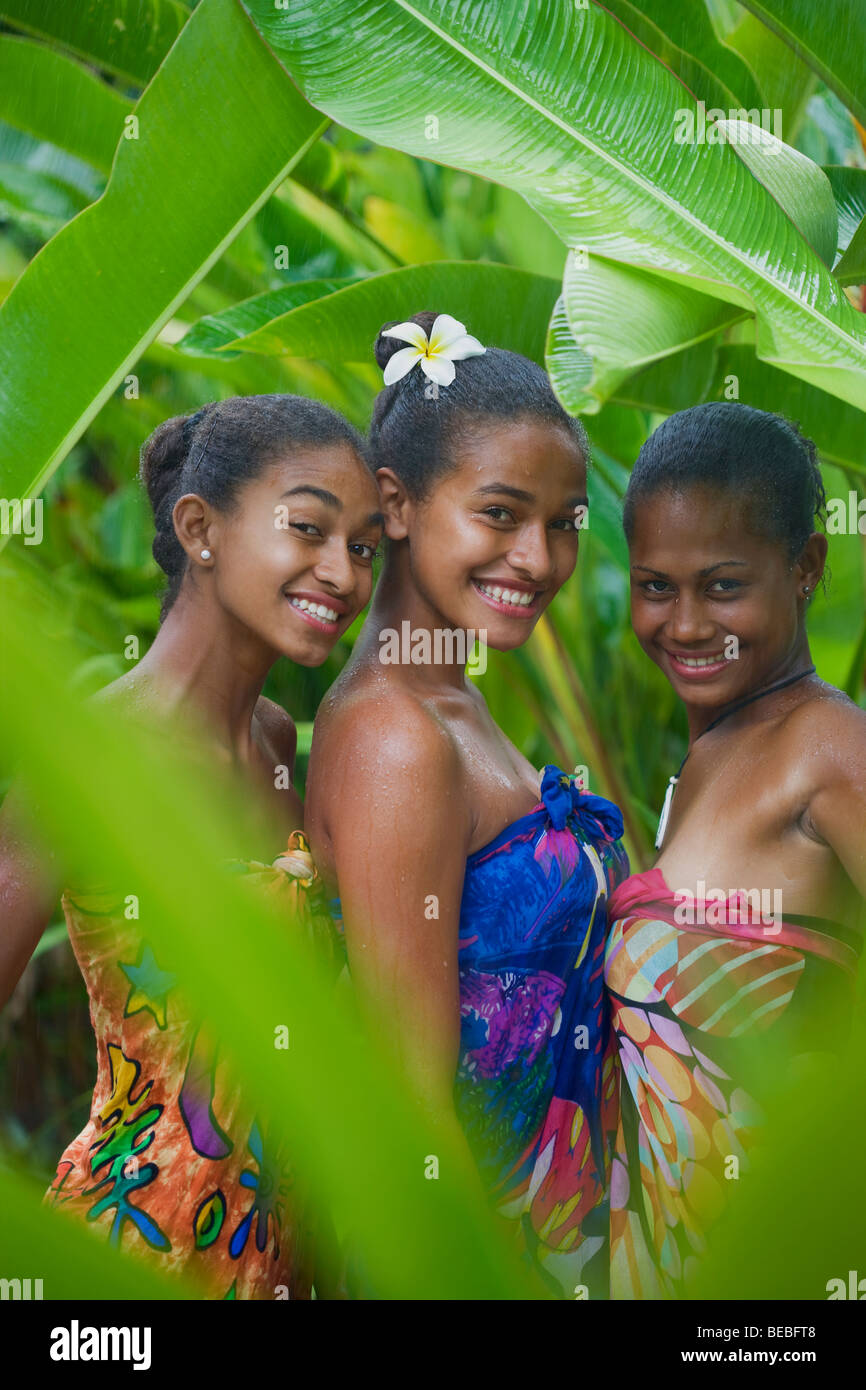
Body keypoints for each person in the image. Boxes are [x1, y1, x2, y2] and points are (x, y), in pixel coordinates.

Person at [0, 394, 384, 1298]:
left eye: (363, 547)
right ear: (200, 529)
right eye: (308, 529)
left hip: (275, 1260)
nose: (341, 572)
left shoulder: (276, 741)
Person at [305, 312, 628, 1298]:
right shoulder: (393, 737)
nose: (536, 556)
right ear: (396, 506)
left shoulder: (452, 702)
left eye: (562, 523)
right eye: (498, 514)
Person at [606, 401, 866, 1298]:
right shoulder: (716, 750)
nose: (683, 624)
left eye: (723, 587)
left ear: (805, 566)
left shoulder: (830, 747)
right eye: (655, 586)